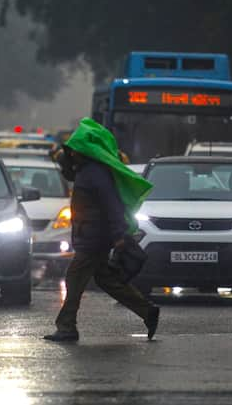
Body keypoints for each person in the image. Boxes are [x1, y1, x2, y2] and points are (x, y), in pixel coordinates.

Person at [44, 119, 159, 342]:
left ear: (85, 151)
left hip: (94, 238)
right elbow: (69, 172)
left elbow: (112, 205)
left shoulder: (95, 173)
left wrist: (119, 236)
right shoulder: (87, 170)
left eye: (75, 150)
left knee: (74, 278)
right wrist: (61, 157)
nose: (73, 153)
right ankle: (147, 311)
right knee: (106, 280)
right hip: (92, 236)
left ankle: (67, 327)